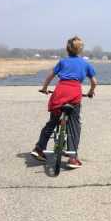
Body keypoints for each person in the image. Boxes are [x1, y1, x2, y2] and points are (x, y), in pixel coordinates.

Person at [30, 36, 97, 168]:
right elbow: (94, 82)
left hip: (59, 93)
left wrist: (44, 89)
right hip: (74, 95)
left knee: (52, 122)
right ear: (80, 50)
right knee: (74, 125)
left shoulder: (62, 62)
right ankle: (72, 157)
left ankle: (39, 149)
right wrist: (90, 92)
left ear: (67, 49)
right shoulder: (85, 64)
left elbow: (50, 76)